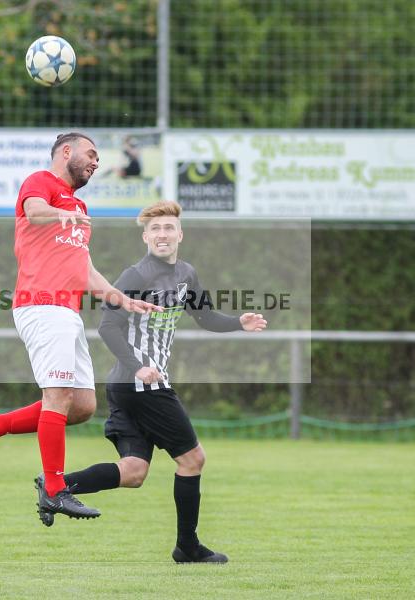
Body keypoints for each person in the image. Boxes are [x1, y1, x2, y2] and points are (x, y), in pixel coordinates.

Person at [44, 200, 267, 564]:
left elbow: (205, 316)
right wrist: (137, 367)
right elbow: (107, 326)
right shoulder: (136, 276)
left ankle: (56, 484)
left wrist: (237, 323)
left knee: (134, 472)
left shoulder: (186, 274)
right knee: (193, 459)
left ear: (180, 234)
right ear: (146, 236)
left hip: (129, 387)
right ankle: (188, 548)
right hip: (140, 385)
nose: (162, 235)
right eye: (155, 229)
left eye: (168, 228)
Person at [0, 132, 161, 524]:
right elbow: (35, 211)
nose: (95, 162)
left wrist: (123, 299)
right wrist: (60, 213)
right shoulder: (41, 182)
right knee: (56, 397)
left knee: (81, 407)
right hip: (40, 304)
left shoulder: (79, 205)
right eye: (91, 154)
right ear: (66, 152)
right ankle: (54, 490)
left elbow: (83, 270)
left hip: (67, 310)